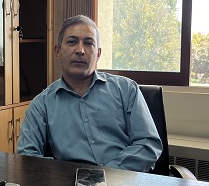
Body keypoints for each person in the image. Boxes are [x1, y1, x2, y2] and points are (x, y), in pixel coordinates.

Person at [16, 15, 162, 172]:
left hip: (123, 179)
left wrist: (107, 173)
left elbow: (148, 143)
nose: (80, 50)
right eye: (72, 42)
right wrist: (63, 175)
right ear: (57, 51)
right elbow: (26, 156)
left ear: (98, 54)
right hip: (69, 183)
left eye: (88, 43)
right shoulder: (42, 104)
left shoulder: (126, 89)